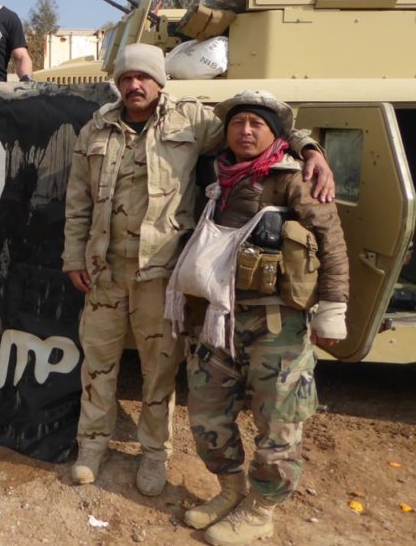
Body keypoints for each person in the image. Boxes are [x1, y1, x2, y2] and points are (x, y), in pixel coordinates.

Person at [61, 43, 334, 496]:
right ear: (118, 83)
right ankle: (91, 445)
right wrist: (73, 256)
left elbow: (257, 128)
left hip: (162, 274)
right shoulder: (97, 128)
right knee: (98, 364)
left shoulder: (190, 121)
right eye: (127, 78)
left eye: (143, 77)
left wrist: (310, 149)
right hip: (105, 272)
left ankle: (154, 454)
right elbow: (78, 203)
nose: (134, 85)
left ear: (159, 82)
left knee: (159, 371)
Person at [167, 90, 348, 546]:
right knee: (206, 415)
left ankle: (262, 510)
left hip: (276, 324)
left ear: (274, 133)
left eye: (257, 124)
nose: (245, 131)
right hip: (217, 321)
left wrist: (333, 306)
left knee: (279, 424)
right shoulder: (215, 172)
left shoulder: (291, 178)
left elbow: (331, 237)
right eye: (237, 122)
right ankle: (230, 490)